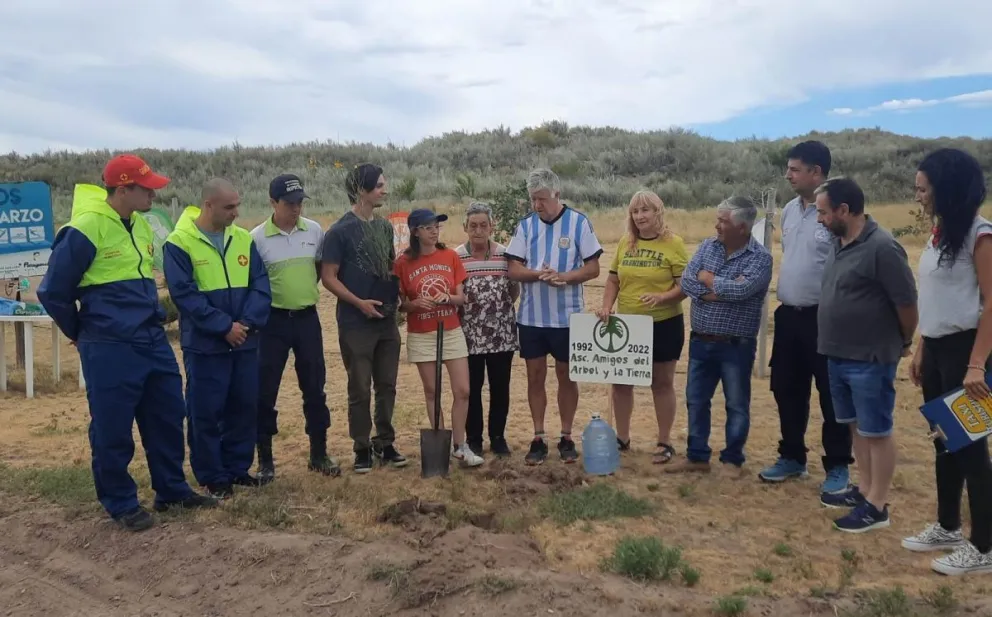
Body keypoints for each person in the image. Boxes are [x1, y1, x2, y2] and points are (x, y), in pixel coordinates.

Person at [37, 154, 217, 531]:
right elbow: (53, 291)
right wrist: (82, 332)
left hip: (151, 339)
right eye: (146, 188)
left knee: (168, 415)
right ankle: (120, 502)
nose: (154, 194)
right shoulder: (84, 229)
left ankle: (172, 490)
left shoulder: (138, 225)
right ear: (123, 189)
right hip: (110, 345)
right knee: (113, 426)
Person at [902, 148, 992, 574]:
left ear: (948, 189)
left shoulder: (981, 235)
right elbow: (937, 297)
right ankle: (947, 525)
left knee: (972, 449)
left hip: (967, 353)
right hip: (938, 349)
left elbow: (991, 305)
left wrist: (977, 364)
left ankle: (985, 548)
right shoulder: (942, 235)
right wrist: (922, 347)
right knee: (944, 441)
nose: (919, 196)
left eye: (924, 189)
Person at [815, 177, 918, 532]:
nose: (819, 220)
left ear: (845, 210)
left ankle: (877, 505)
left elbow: (906, 304)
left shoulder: (883, 248)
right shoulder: (838, 242)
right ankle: (864, 489)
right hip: (837, 354)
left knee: (876, 430)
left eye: (823, 213)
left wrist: (904, 342)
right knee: (856, 427)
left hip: (871, 357)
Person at [164, 178, 272, 498]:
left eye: (237, 205)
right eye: (229, 207)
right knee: (205, 411)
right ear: (208, 206)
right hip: (207, 345)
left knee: (243, 406)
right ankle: (212, 476)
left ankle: (237, 468)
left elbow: (260, 284)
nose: (236, 213)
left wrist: (246, 324)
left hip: (244, 341)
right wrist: (224, 326)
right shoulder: (179, 242)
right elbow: (185, 295)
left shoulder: (242, 239)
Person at [760, 140, 854, 497]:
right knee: (786, 388)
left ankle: (839, 465)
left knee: (831, 394)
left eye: (795, 169)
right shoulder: (788, 210)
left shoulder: (837, 211)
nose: (788, 175)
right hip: (789, 315)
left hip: (825, 317)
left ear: (817, 172)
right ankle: (793, 457)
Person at [667, 196, 773, 478]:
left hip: (736, 346)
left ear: (742, 227)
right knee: (696, 400)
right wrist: (720, 287)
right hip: (701, 340)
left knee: (736, 403)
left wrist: (710, 280)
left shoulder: (761, 259)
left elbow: (743, 292)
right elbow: (688, 282)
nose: (717, 226)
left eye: (723, 221)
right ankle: (697, 456)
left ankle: (732, 459)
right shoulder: (706, 247)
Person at [505, 168, 603, 465]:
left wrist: (565, 277)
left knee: (566, 376)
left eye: (542, 199)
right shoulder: (525, 226)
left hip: (567, 319)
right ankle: (538, 437)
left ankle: (566, 435)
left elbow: (593, 268)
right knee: (535, 377)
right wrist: (539, 275)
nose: (537, 205)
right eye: (533, 199)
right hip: (532, 318)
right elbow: (513, 269)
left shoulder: (578, 222)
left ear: (557, 195)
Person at [320, 163, 407, 473]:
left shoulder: (384, 227)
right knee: (359, 386)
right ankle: (361, 447)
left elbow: (388, 267)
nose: (385, 190)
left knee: (387, 384)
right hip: (356, 322)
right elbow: (328, 277)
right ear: (361, 190)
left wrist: (396, 297)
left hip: (385, 319)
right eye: (379, 185)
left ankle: (386, 442)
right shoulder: (339, 231)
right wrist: (359, 303)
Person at [251, 174, 337, 481]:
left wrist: (301, 295)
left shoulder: (314, 231)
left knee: (315, 387)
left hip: (306, 320)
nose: (296, 208)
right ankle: (265, 461)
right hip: (271, 323)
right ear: (272, 202)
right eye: (289, 203)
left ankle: (319, 453)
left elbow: (317, 269)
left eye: (300, 202)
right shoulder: (256, 238)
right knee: (265, 391)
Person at [597, 190, 688, 464]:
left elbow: (685, 286)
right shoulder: (627, 242)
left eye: (645, 210)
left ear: (657, 212)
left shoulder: (674, 244)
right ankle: (622, 439)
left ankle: (664, 441)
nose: (640, 216)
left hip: (664, 324)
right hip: (628, 324)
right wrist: (606, 306)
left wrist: (662, 297)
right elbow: (613, 278)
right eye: (635, 212)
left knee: (661, 383)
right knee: (621, 383)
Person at [395, 208, 485, 467]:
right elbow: (401, 304)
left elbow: (461, 297)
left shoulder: (450, 257)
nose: (434, 231)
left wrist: (448, 298)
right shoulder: (403, 263)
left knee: (463, 390)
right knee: (432, 390)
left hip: (451, 329)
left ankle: (460, 445)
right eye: (428, 227)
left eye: (436, 226)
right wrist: (414, 304)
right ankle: (440, 447)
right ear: (415, 232)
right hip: (422, 333)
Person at [456, 202, 520, 458]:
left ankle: (497, 436)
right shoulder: (457, 256)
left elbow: (513, 289)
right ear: (465, 228)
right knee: (471, 388)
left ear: (492, 226)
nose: (478, 231)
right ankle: (473, 438)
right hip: (469, 335)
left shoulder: (506, 255)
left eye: (483, 225)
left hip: (501, 335)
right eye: (473, 226)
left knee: (500, 387)